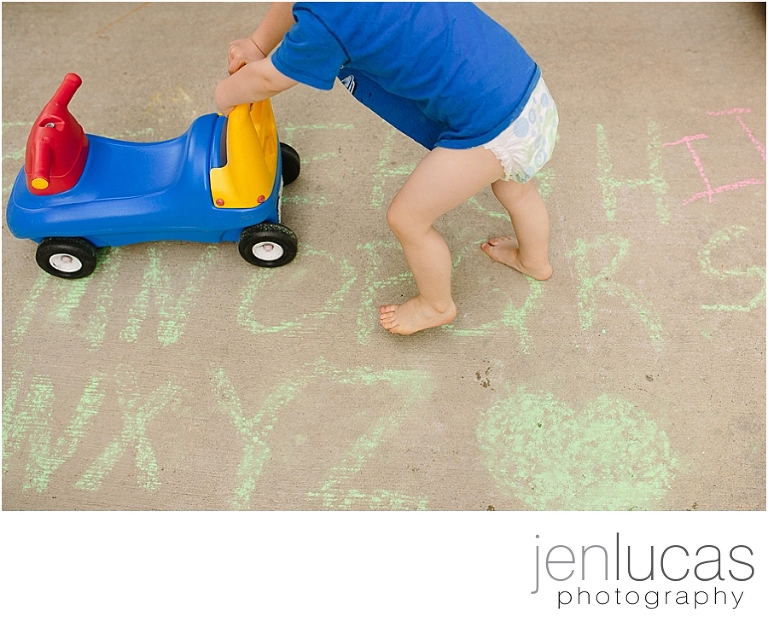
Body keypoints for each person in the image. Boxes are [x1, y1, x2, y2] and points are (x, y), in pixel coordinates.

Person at [215, 2, 558, 335]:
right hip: (526, 93)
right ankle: (534, 262)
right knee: (515, 187)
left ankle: (436, 306)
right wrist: (257, 43)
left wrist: (227, 93)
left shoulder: (328, 21)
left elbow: (269, 79)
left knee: (408, 219)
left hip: (492, 128)